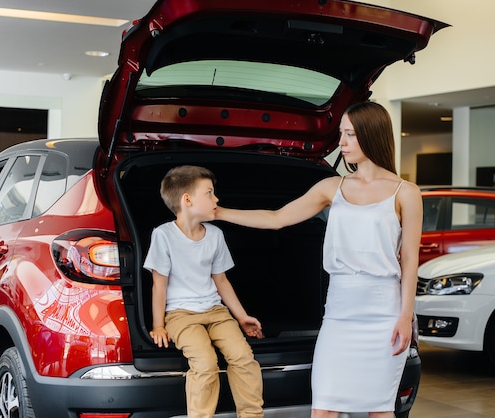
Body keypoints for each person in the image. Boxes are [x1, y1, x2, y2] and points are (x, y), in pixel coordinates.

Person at [215, 101, 422, 418]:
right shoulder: (331, 187)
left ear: (372, 135)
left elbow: (409, 259)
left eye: (350, 135)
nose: (341, 143)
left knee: (379, 411)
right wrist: (220, 213)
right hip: (339, 312)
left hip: (384, 314)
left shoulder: (406, 192)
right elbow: (277, 218)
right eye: (341, 134)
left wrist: (405, 316)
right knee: (324, 409)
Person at [143, 165, 264, 418]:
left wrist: (242, 317)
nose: (216, 199)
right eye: (209, 193)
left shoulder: (215, 235)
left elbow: (221, 281)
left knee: (243, 357)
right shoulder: (163, 235)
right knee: (206, 364)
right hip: (181, 315)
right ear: (187, 200)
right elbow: (159, 284)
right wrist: (158, 325)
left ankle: (252, 415)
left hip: (216, 312)